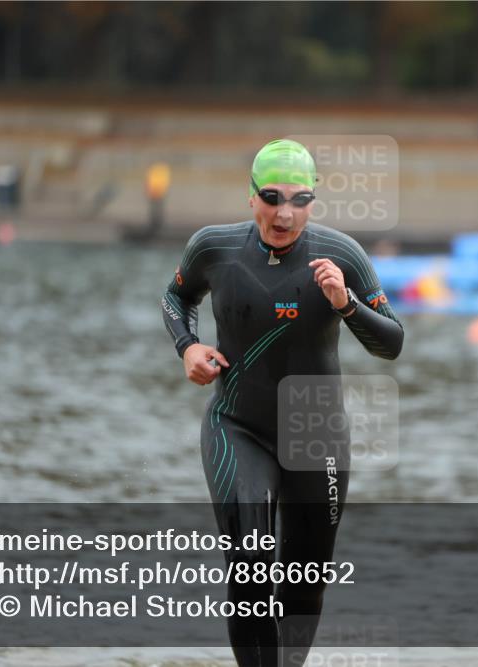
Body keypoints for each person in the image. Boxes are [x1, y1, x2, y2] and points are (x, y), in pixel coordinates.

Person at [161, 139, 403, 666]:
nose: (284, 212)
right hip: (237, 425)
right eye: (271, 197)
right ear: (250, 197)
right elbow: (176, 296)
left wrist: (347, 304)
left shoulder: (343, 257)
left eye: (299, 199)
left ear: (314, 202)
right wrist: (189, 347)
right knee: (250, 562)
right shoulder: (214, 248)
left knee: (304, 580)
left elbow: (392, 343)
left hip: (316, 432)